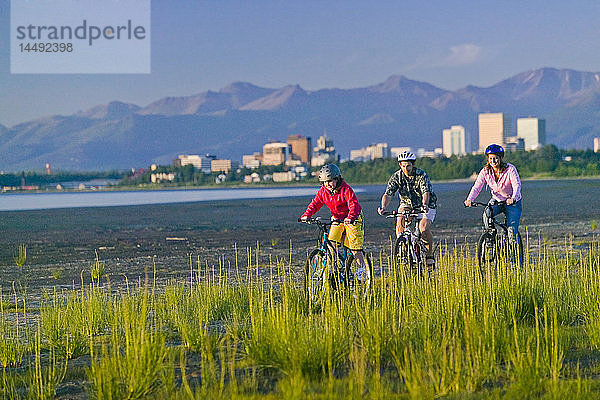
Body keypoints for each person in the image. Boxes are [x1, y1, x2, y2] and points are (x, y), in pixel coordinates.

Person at [300, 164, 368, 278]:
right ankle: (333, 268)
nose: (328, 184)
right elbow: (315, 204)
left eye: (331, 181)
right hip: (337, 218)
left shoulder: (346, 189)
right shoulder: (323, 191)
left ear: (337, 179)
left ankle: (362, 270)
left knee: (355, 247)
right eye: (325, 182)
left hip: (353, 218)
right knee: (331, 243)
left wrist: (350, 217)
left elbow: (353, 205)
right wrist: (307, 215)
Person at [377, 151, 437, 269]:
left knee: (423, 229)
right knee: (400, 219)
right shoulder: (396, 176)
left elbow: (426, 192)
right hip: (407, 203)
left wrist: (424, 205)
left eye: (408, 166)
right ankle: (403, 245)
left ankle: (429, 255)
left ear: (413, 165)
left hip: (425, 204)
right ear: (400, 165)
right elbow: (388, 194)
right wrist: (383, 207)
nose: (405, 169)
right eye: (403, 166)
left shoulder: (421, 175)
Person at [464, 144, 522, 246]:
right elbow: (477, 187)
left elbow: (517, 185)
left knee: (511, 232)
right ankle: (490, 236)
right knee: (487, 214)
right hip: (497, 200)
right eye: (491, 158)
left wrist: (513, 198)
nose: (493, 161)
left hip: (512, 202)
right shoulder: (485, 171)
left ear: (500, 158)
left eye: (496, 158)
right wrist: (469, 199)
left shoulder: (510, 169)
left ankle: (515, 260)